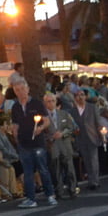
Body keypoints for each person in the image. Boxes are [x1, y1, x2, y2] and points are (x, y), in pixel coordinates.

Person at [10, 78, 57, 208]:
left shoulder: (36, 104)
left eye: (22, 89)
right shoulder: (15, 107)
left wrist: (40, 128)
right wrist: (15, 135)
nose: (20, 92)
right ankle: (30, 198)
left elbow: (46, 121)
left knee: (43, 169)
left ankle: (50, 195)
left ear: (27, 89)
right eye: (17, 90)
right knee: (28, 172)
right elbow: (15, 124)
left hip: (37, 143)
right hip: (23, 143)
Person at [43, 93, 78, 199]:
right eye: (48, 101)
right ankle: (59, 191)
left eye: (53, 101)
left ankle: (72, 189)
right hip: (52, 146)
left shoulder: (63, 114)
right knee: (55, 169)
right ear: (45, 103)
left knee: (69, 168)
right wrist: (49, 138)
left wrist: (63, 133)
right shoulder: (42, 117)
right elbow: (40, 132)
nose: (51, 103)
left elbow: (71, 128)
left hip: (65, 145)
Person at [71, 89, 103, 188]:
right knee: (86, 160)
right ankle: (90, 179)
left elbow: (98, 123)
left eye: (82, 95)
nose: (80, 97)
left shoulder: (92, 108)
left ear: (85, 96)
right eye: (77, 95)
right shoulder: (72, 111)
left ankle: (95, 180)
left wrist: (102, 135)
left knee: (93, 159)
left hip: (92, 136)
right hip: (80, 137)